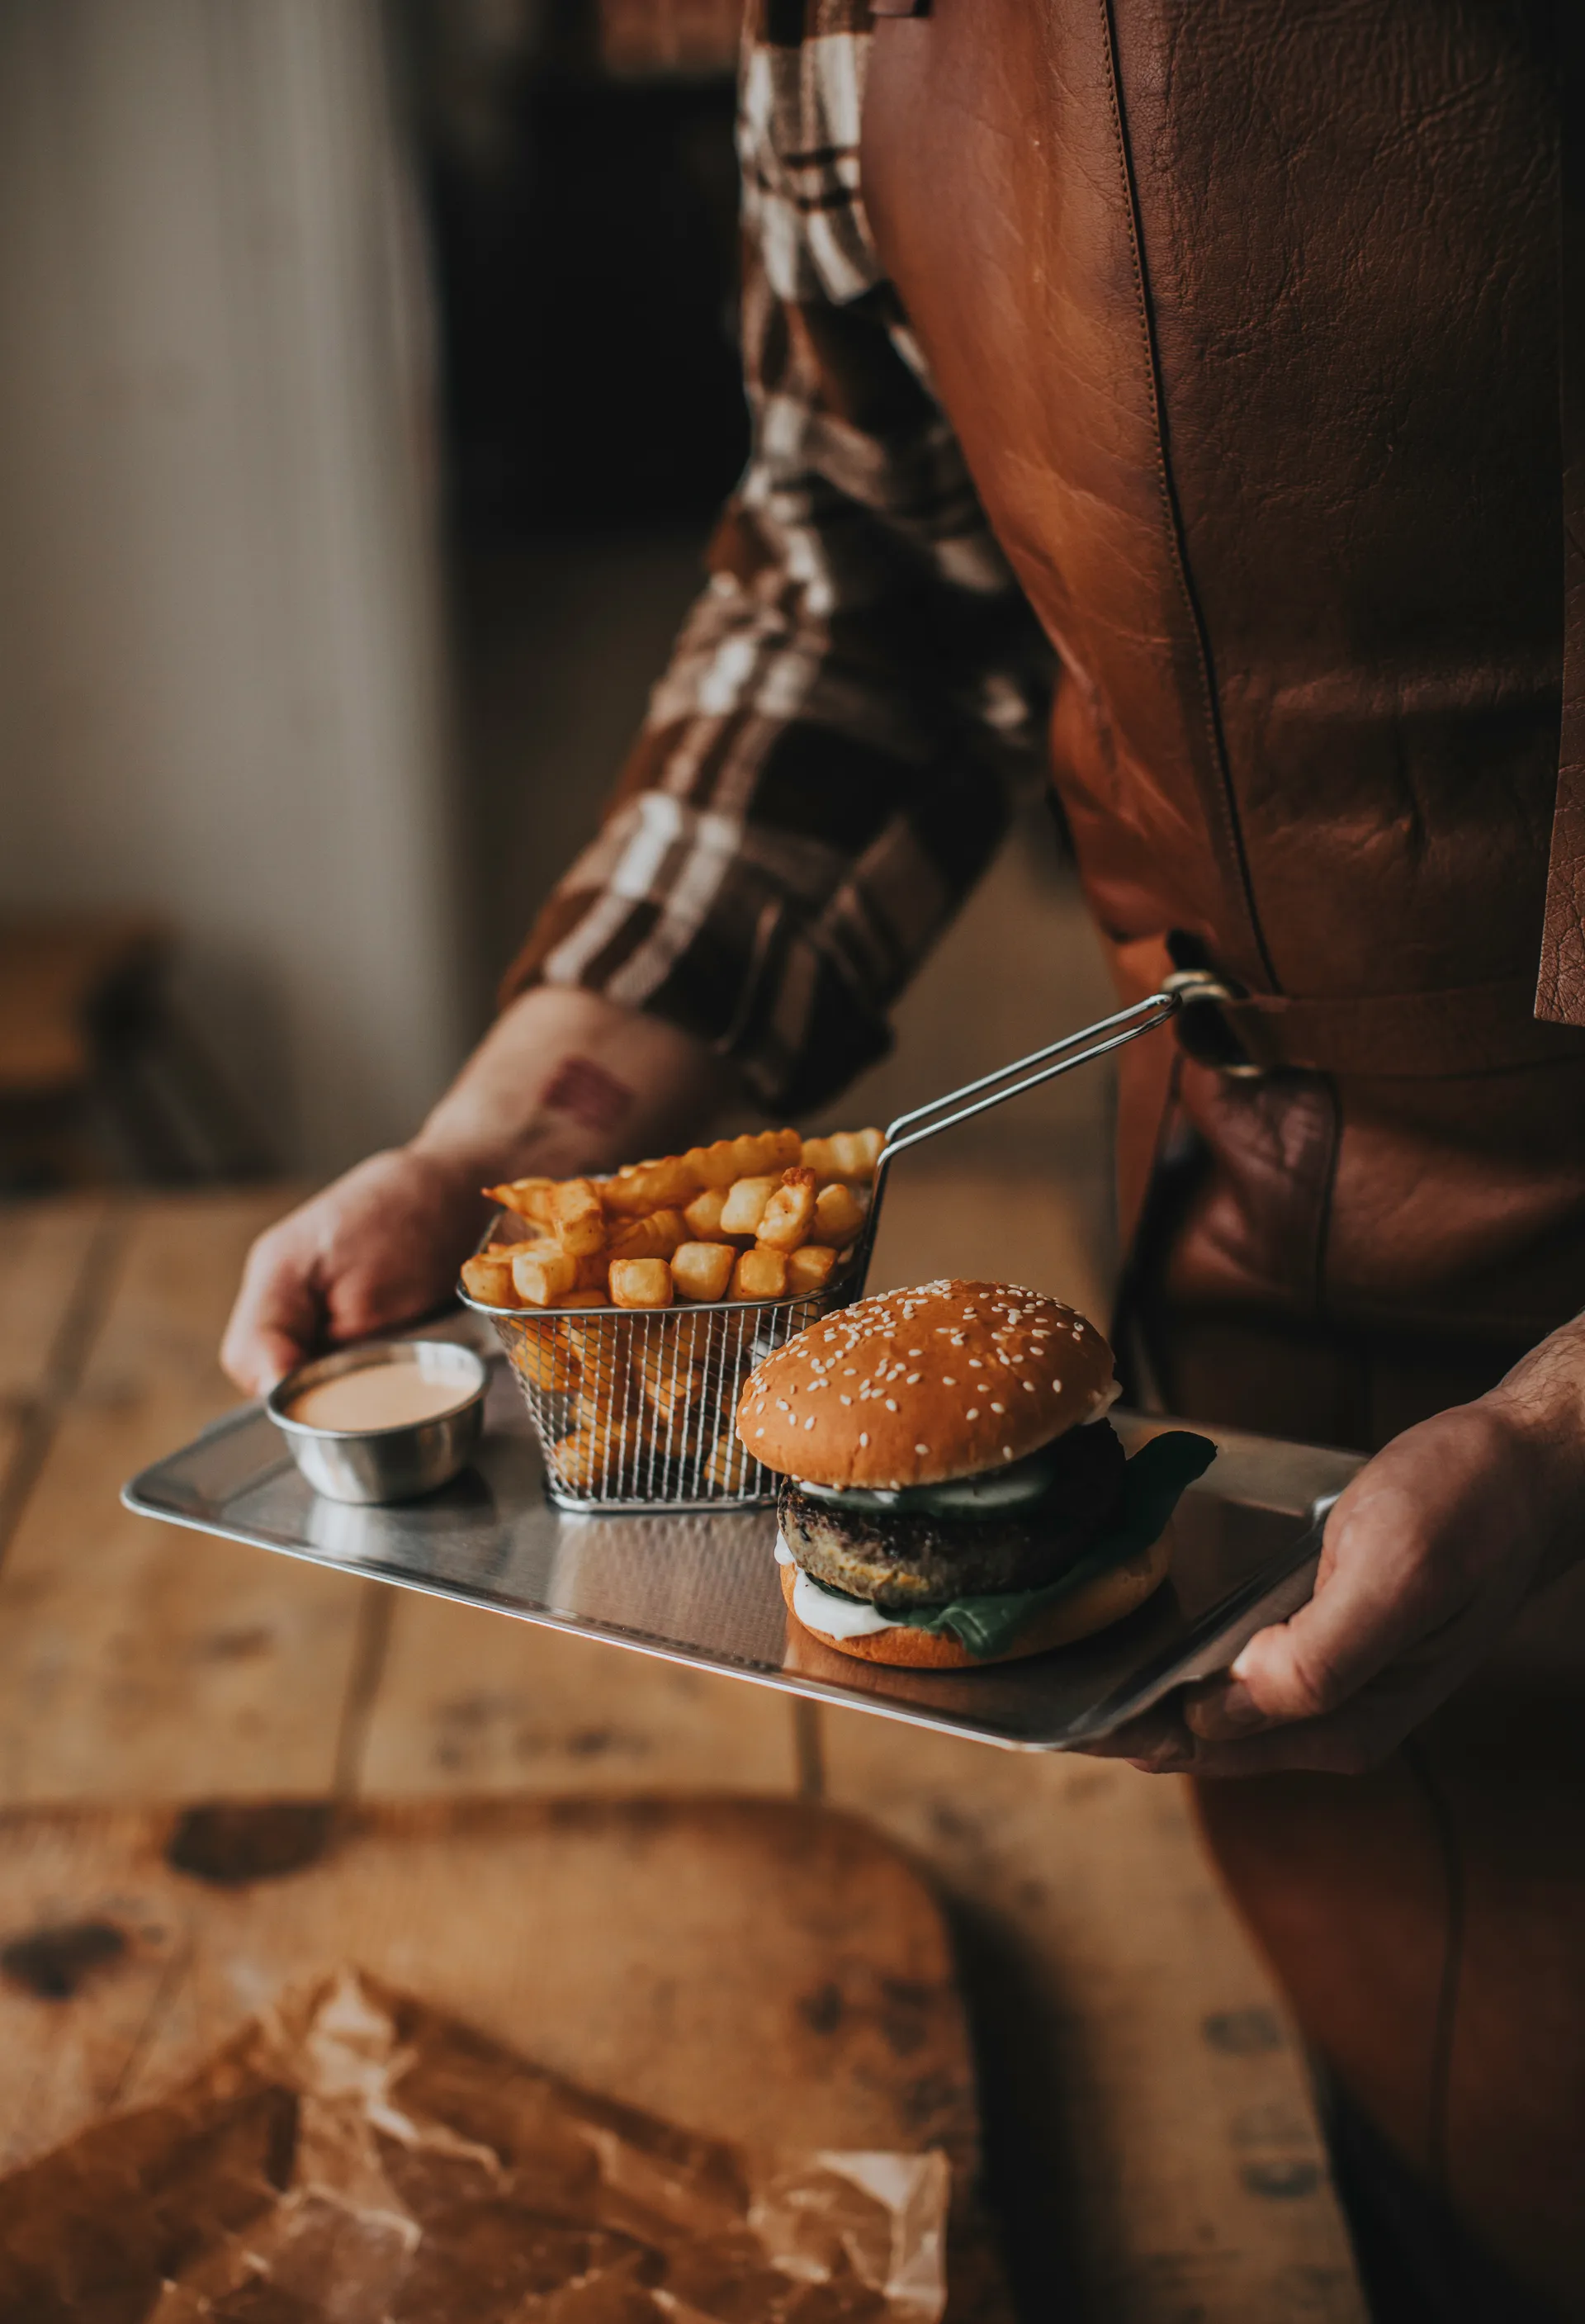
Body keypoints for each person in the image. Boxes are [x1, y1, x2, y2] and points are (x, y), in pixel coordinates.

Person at [223, 3, 1585, 2312]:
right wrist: (509, 1144)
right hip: (1250, 1268)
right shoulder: (837, 16)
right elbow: (865, 571)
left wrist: (1556, 1439)